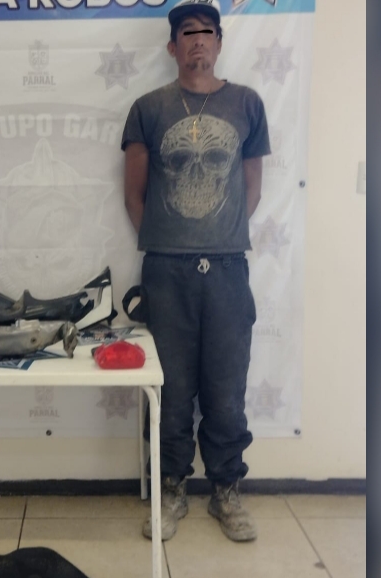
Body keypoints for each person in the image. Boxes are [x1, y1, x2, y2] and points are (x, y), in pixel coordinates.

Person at [121, 0, 270, 542]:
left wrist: (218, 236)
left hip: (228, 269)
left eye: (208, 31)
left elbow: (251, 188)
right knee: (170, 388)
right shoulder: (148, 108)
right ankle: (171, 488)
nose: (199, 40)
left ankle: (226, 490)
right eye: (188, 33)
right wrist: (171, 242)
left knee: (227, 388)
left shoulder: (247, 104)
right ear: (173, 46)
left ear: (220, 42)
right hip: (167, 271)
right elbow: (133, 195)